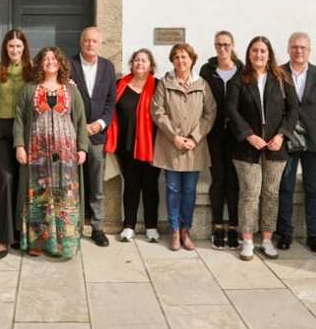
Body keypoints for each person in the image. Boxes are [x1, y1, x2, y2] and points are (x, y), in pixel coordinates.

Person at [228, 36, 299, 261]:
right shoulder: (239, 79)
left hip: (275, 147)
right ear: (249, 54)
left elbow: (294, 110)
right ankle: (247, 240)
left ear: (269, 54)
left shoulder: (281, 78)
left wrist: (281, 135)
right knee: (250, 194)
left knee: (270, 194)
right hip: (247, 149)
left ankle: (267, 239)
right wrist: (248, 135)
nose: (259, 55)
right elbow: (232, 111)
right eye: (255, 51)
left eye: (263, 51)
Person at [14, 46, 88, 259]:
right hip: (37, 154)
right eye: (45, 58)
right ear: (40, 63)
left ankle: (64, 245)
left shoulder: (71, 90)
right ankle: (38, 243)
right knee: (38, 198)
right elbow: (19, 119)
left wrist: (82, 148)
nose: (50, 62)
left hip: (66, 156)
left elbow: (81, 121)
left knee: (65, 197)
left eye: (54, 58)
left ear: (60, 63)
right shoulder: (29, 89)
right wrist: (19, 145)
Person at [152, 43, 217, 251]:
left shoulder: (202, 85)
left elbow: (210, 113)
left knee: (189, 190)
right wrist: (174, 136)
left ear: (192, 60)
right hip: (171, 146)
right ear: (173, 60)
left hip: (194, 147)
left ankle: (185, 230)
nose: (181, 61)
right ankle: (173, 230)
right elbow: (157, 111)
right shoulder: (164, 83)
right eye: (177, 57)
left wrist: (195, 137)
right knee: (172, 189)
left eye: (185, 57)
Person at [275, 32, 316, 254]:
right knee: (286, 188)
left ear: (309, 50)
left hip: (313, 143)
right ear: (289, 49)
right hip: (287, 140)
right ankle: (285, 233)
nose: (298, 51)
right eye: (294, 47)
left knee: (313, 188)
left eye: (302, 47)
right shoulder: (279, 73)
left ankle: (313, 235)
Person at [105, 49, 160, 243]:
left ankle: (151, 226)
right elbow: (111, 111)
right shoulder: (121, 84)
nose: (140, 63)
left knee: (151, 187)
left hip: (152, 146)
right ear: (131, 63)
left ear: (151, 65)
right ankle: (128, 225)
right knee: (131, 186)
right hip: (126, 145)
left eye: (144, 61)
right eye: (137, 60)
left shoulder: (158, 86)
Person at [70, 27, 116, 247]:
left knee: (96, 184)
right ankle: (75, 226)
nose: (90, 44)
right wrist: (79, 126)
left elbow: (110, 102)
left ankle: (98, 227)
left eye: (94, 41)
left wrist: (99, 124)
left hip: (97, 135)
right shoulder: (69, 66)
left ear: (100, 43)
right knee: (74, 182)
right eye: (87, 40)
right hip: (73, 135)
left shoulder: (107, 67)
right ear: (81, 42)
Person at [0, 30, 33, 258]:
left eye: (18, 46)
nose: (14, 50)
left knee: (23, 181)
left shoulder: (32, 69)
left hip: (26, 130)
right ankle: (3, 238)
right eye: (10, 46)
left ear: (24, 47)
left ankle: (20, 233)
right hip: (2, 128)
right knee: (6, 179)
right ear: (5, 49)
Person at [199, 30, 243, 249]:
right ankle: (217, 225)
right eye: (219, 45)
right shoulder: (207, 70)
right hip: (214, 133)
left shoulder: (242, 71)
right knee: (218, 179)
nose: (223, 48)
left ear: (233, 46)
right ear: (215, 47)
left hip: (238, 135)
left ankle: (234, 226)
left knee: (234, 181)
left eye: (226, 44)